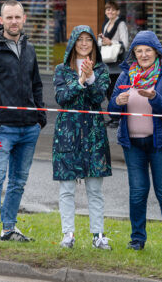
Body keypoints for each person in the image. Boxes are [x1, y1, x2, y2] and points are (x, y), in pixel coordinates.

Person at [0, 0, 46, 250]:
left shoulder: (30, 49)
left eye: (18, 17)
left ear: (24, 19)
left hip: (28, 129)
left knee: (18, 181)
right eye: (9, 17)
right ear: (1, 20)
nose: (14, 21)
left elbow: (37, 84)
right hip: (0, 128)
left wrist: (40, 115)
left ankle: (9, 228)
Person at [108, 31, 162, 254]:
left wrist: (154, 98)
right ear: (133, 53)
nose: (143, 55)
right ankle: (137, 239)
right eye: (138, 51)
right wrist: (118, 102)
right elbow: (111, 111)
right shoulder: (126, 76)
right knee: (138, 192)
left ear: (157, 52)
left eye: (147, 50)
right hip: (133, 145)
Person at [52, 25, 112, 249]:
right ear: (73, 43)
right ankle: (68, 234)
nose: (85, 43)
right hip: (67, 134)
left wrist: (90, 78)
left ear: (93, 44)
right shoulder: (61, 70)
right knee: (67, 188)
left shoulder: (102, 69)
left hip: (94, 135)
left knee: (95, 189)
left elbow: (99, 98)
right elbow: (62, 97)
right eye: (80, 39)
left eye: (88, 39)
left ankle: (98, 235)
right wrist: (79, 81)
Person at [99, 1, 129, 128]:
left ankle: (118, 118)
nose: (109, 12)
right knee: (108, 92)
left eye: (112, 10)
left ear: (117, 11)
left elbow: (125, 43)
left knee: (116, 91)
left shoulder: (121, 24)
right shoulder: (106, 24)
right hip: (107, 64)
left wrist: (110, 42)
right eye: (107, 10)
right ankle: (113, 116)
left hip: (117, 64)